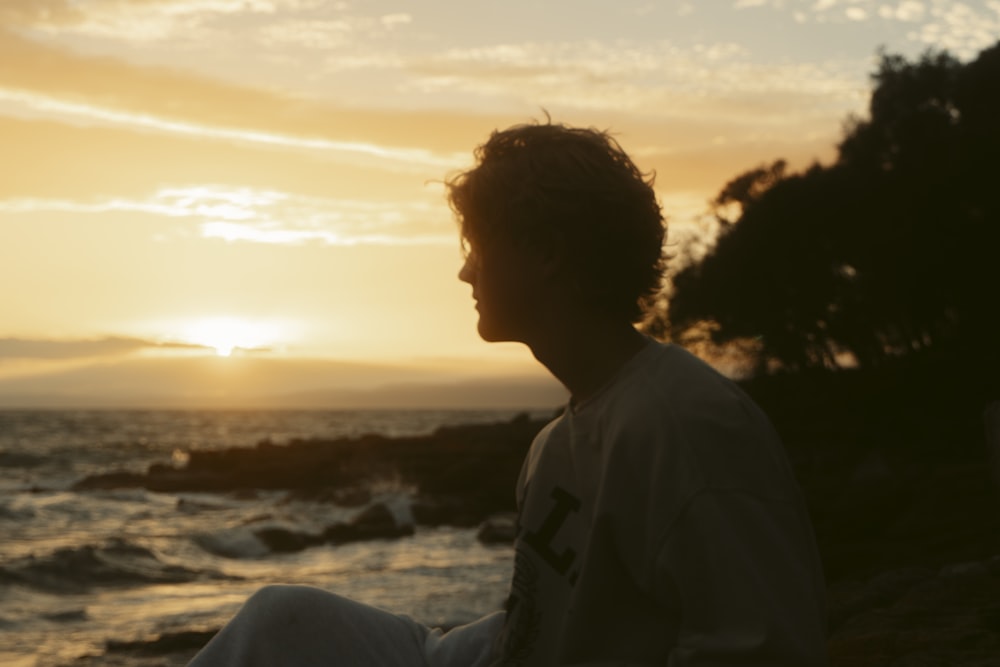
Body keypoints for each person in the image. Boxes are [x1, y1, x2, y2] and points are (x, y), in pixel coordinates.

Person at [187, 120, 829, 666]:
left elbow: (763, 645)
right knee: (281, 622)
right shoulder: (557, 442)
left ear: (545, 252)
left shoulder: (687, 425)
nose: (465, 269)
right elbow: (543, 623)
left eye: (478, 245)